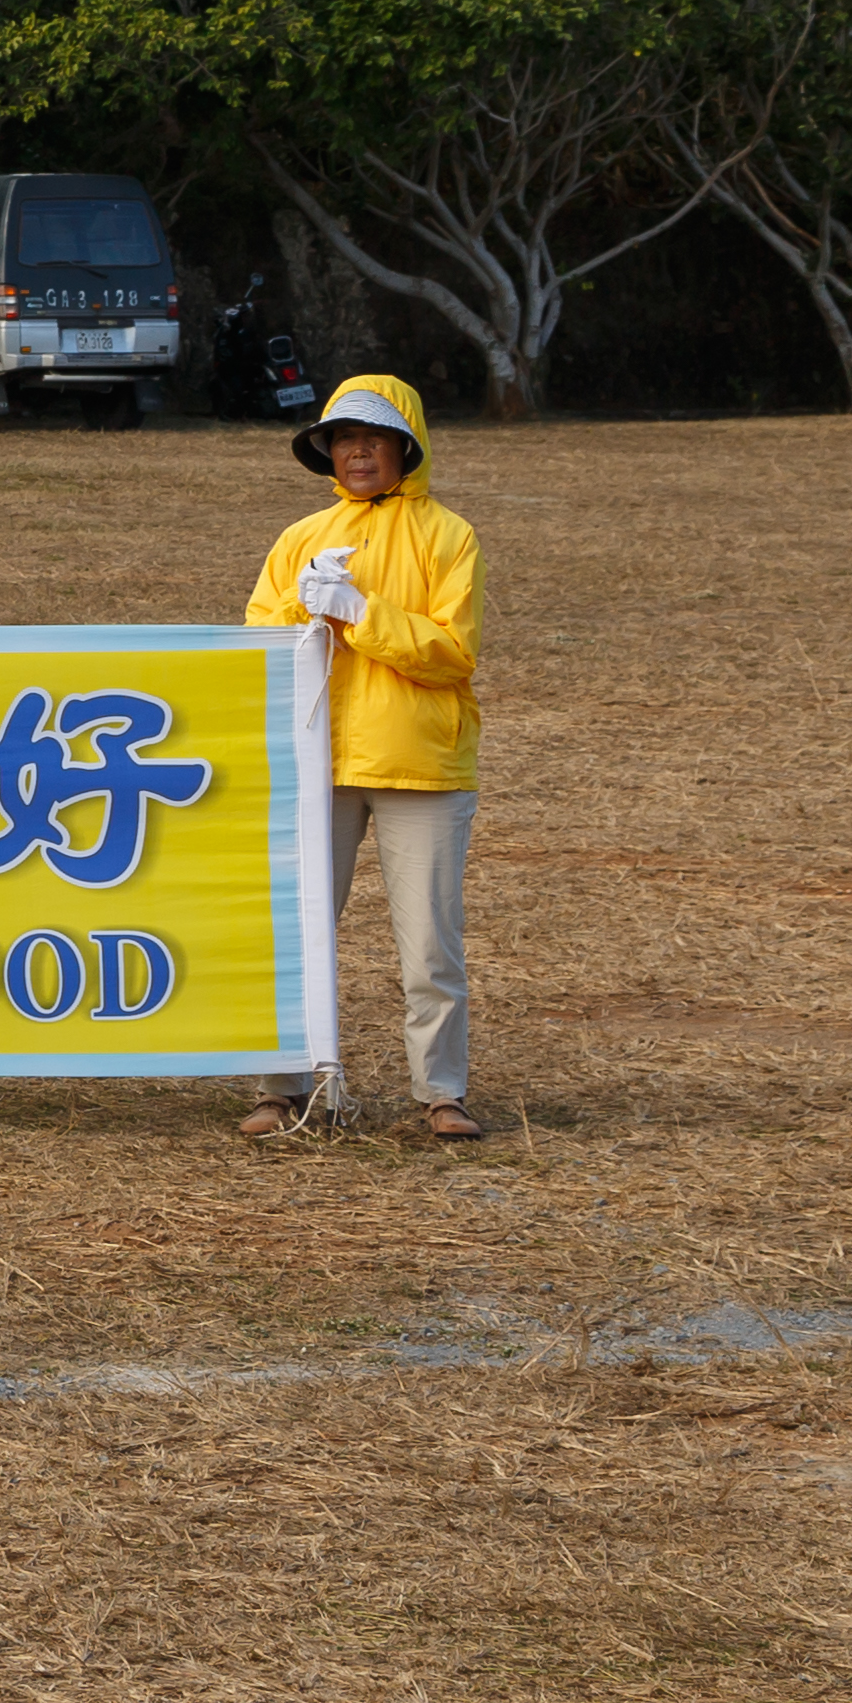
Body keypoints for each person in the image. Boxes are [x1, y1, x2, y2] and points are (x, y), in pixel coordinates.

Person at [239, 375, 486, 1142]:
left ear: (405, 447)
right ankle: (280, 1088)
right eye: (343, 439)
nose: (356, 453)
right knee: (296, 929)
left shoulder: (451, 536)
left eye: (372, 439)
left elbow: (453, 653)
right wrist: (303, 607)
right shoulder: (300, 539)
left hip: (420, 765)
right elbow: (258, 640)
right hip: (316, 765)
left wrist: (360, 613)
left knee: (430, 941)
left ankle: (441, 1093)